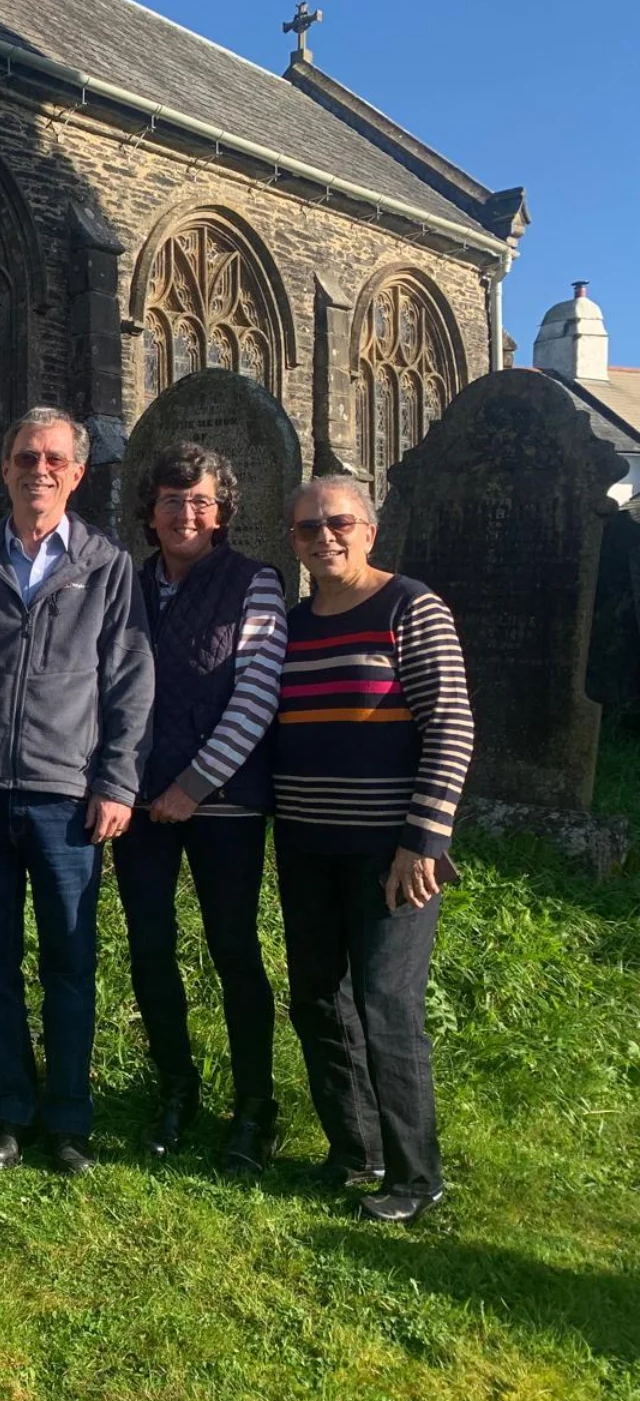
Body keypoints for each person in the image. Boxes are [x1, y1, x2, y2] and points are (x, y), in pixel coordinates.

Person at [0, 406, 154, 1176]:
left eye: (53, 458)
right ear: (6, 468)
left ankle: (69, 1122)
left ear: (77, 474)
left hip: (66, 800)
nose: (38, 469)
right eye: (25, 456)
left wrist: (117, 781)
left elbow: (129, 682)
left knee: (70, 965)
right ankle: (9, 1112)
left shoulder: (107, 568)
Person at [274, 475, 473, 1224]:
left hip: (392, 854)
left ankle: (418, 1177)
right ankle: (356, 1149)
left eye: (339, 522)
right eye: (306, 528)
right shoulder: (293, 626)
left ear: (370, 529)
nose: (324, 537)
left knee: (386, 1004)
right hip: (304, 845)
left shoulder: (409, 607)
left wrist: (424, 839)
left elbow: (450, 725)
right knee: (318, 999)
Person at [112, 443, 287, 1172]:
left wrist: (196, 784)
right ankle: (175, 1086)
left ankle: (254, 1106)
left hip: (224, 804)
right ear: (149, 512)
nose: (185, 513)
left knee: (233, 950)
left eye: (201, 502)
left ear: (222, 514)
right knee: (150, 949)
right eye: (171, 500)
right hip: (139, 800)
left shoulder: (255, 583)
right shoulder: (125, 583)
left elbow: (256, 695)